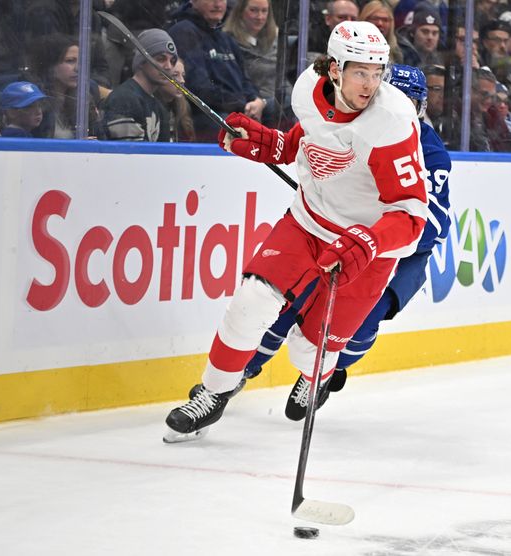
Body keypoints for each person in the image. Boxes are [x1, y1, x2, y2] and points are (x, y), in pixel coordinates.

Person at [163, 21, 428, 441]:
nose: (371, 84)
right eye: (361, 72)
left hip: (365, 249)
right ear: (335, 69)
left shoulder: (391, 121)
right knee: (251, 300)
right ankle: (212, 394)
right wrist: (274, 145)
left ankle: (315, 375)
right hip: (307, 221)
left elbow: (412, 216)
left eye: (378, 73)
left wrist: (368, 241)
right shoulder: (308, 88)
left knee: (312, 349)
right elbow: (310, 137)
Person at [212, 64, 451, 416]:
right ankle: (242, 370)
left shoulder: (430, 152)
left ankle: (323, 374)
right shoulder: (361, 123)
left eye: (409, 100)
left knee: (360, 322)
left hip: (399, 252)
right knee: (286, 305)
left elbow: (431, 221)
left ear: (420, 107)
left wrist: (373, 236)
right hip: (344, 238)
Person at [168, 0, 265, 141]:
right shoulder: (185, 32)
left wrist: (257, 101)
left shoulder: (225, 38)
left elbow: (245, 80)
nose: (217, 4)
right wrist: (243, 105)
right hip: (205, 114)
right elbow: (199, 89)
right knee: (228, 126)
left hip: (238, 108)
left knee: (275, 108)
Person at [224, 0, 293, 128]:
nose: (260, 17)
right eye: (253, 10)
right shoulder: (228, 41)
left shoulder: (278, 39)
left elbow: (283, 79)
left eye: (264, 11)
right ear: (240, 11)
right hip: (253, 105)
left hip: (282, 100)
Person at [102, 29, 177, 142]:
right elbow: (130, 155)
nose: (168, 67)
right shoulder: (124, 99)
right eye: (161, 59)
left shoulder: (158, 106)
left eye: (172, 61)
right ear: (142, 61)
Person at [157, 59, 196, 142]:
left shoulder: (183, 106)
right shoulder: (151, 108)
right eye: (175, 75)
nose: (182, 80)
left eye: (183, 75)